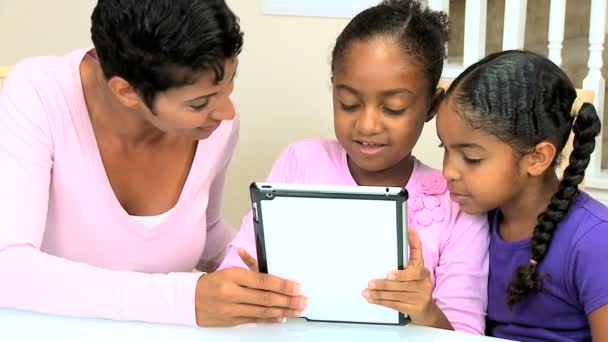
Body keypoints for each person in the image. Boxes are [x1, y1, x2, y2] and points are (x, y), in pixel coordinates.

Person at [0, 0, 305, 327]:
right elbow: (8, 267)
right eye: (199, 102)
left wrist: (266, 271)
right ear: (126, 91)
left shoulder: (215, 128)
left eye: (228, 88)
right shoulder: (39, 94)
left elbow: (207, 229)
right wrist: (183, 301)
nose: (227, 112)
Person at [219, 0, 489, 334]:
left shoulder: (456, 202)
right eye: (349, 103)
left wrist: (424, 309)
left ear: (431, 105)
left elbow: (466, 334)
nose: (367, 124)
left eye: (393, 108)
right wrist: (253, 287)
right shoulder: (301, 162)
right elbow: (231, 274)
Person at [436, 50, 608, 341]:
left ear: (538, 158)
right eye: (445, 150)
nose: (448, 172)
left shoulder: (595, 241)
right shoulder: (468, 223)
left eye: (471, 157)